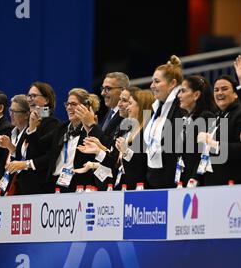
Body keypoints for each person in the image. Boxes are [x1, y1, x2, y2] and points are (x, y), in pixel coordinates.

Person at [77, 89, 154, 190]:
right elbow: (116, 163)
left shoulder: (146, 132)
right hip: (123, 187)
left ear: (141, 106)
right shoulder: (128, 132)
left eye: (130, 103)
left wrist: (125, 152)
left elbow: (140, 166)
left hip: (140, 189)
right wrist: (99, 152)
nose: (127, 107)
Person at [198, 75, 241, 186]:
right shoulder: (217, 116)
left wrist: (216, 144)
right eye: (216, 90)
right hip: (213, 183)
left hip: (235, 184)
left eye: (224, 89)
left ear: (235, 93)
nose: (219, 93)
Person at [45, 88, 102, 192]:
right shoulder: (61, 128)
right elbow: (41, 144)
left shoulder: (91, 130)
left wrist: (92, 125)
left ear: (85, 107)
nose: (69, 108)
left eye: (73, 104)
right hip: (56, 183)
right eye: (67, 104)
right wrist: (32, 128)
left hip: (79, 185)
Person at [144, 55, 186, 189]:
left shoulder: (180, 106)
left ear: (172, 84)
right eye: (152, 81)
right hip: (156, 177)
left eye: (156, 81)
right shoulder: (158, 107)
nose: (152, 86)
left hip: (174, 180)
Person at [15, 82, 61, 194]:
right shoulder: (29, 124)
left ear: (46, 100)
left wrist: (26, 164)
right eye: (29, 96)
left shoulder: (52, 124)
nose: (30, 99)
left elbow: (46, 155)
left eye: (34, 96)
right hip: (23, 186)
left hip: (40, 188)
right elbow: (23, 154)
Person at [176, 75, 217, 186]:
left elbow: (204, 153)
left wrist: (195, 178)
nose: (179, 95)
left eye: (183, 91)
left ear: (196, 95)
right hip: (186, 179)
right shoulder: (188, 118)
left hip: (198, 182)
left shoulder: (206, 117)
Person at [0, 95, 30, 195]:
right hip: (9, 183)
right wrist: (2, 180)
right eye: (10, 110)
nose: (11, 114)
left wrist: (10, 146)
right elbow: (10, 163)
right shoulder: (12, 133)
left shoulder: (30, 134)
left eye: (15, 112)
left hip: (24, 186)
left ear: (26, 115)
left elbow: (23, 159)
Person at [98, 72, 130, 148]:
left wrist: (92, 126)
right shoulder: (109, 112)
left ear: (123, 90)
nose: (102, 93)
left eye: (108, 89)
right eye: (103, 88)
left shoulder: (128, 115)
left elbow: (113, 147)